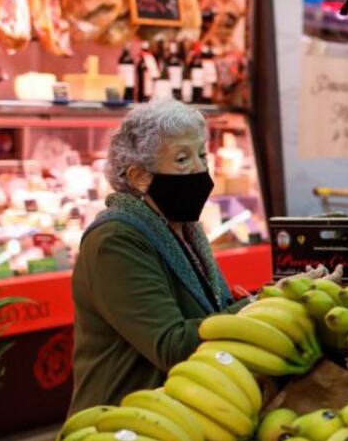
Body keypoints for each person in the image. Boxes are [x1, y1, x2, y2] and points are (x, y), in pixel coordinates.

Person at [69, 100, 234, 411]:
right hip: (123, 424)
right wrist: (258, 309)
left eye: (202, 156)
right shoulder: (115, 241)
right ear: (139, 177)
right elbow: (171, 345)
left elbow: (212, 312)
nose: (199, 170)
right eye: (182, 159)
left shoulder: (185, 230)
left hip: (180, 409)